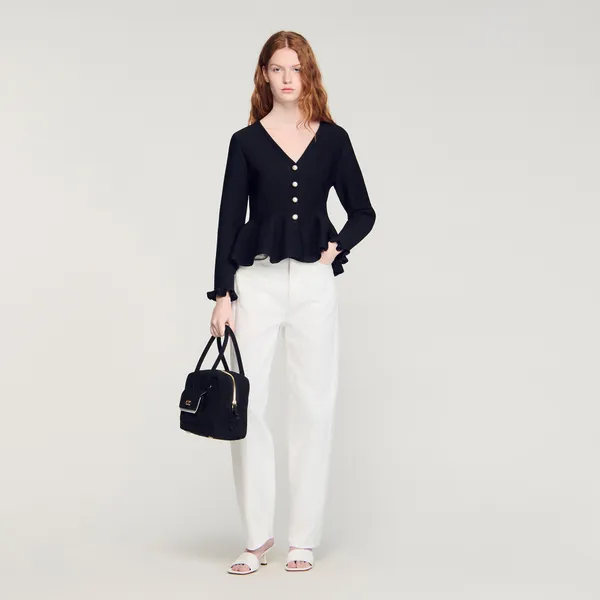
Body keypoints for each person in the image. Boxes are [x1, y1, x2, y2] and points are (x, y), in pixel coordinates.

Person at [207, 31, 376, 574]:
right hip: (255, 283)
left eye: (295, 68)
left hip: (312, 285)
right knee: (248, 405)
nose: (286, 78)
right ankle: (257, 537)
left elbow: (364, 211)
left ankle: (303, 537)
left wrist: (337, 247)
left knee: (313, 406)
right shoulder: (245, 142)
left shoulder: (333, 139)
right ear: (264, 74)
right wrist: (223, 293)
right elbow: (229, 220)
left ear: (309, 74)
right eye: (277, 68)